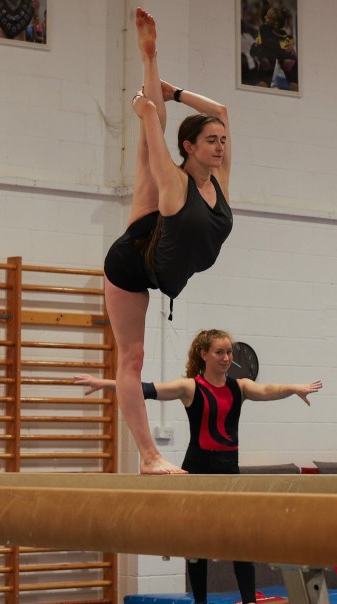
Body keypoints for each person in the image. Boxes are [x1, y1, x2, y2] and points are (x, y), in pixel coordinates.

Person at [76, 328, 322, 604]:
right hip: (197, 471)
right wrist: (104, 382)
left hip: (229, 473)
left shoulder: (240, 387)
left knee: (242, 541)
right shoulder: (190, 387)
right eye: (219, 352)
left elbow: (267, 390)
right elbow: (144, 389)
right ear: (204, 354)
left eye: (229, 352)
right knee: (198, 544)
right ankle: (201, 602)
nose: (226, 358)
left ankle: (249, 601)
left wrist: (293, 388)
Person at [104, 8, 233, 474]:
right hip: (131, 263)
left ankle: (149, 58)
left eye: (222, 141)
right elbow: (154, 131)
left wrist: (173, 92)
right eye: (211, 141)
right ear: (189, 147)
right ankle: (149, 456)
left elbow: (221, 110)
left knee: (150, 158)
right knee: (133, 358)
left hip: (161, 259)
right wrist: (147, 105)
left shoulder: (220, 182)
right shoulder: (175, 181)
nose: (220, 146)